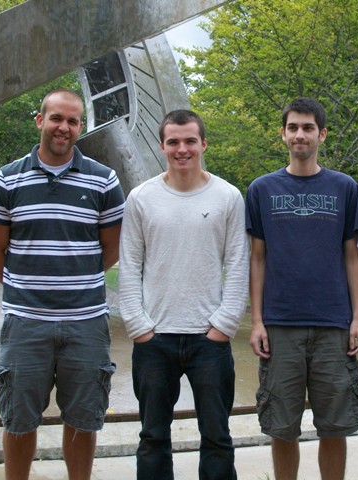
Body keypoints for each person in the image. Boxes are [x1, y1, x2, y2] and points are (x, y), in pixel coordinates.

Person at [0, 89, 125, 480]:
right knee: (19, 418)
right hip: (25, 323)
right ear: (40, 120)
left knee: (83, 418)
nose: (64, 127)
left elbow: (109, 250)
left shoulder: (104, 180)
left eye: (73, 121)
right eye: (57, 118)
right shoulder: (6, 179)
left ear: (80, 127)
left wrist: (74, 284)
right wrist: (26, 290)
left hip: (87, 323)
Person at [118, 109, 249, 480]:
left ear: (203, 144)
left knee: (217, 437)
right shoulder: (141, 198)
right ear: (162, 146)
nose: (182, 149)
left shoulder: (228, 196)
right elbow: (128, 265)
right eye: (173, 141)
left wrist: (223, 325)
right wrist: (138, 326)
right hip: (154, 339)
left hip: (209, 339)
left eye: (190, 140)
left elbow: (239, 264)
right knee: (153, 437)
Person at [246, 97, 358, 480]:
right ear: (283, 133)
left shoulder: (344, 187)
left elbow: (352, 256)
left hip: (333, 324)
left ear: (322, 134)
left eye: (308, 127)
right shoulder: (262, 189)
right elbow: (258, 258)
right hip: (281, 325)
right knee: (282, 428)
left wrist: (357, 318)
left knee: (335, 427)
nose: (300, 134)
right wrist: (257, 321)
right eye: (293, 127)